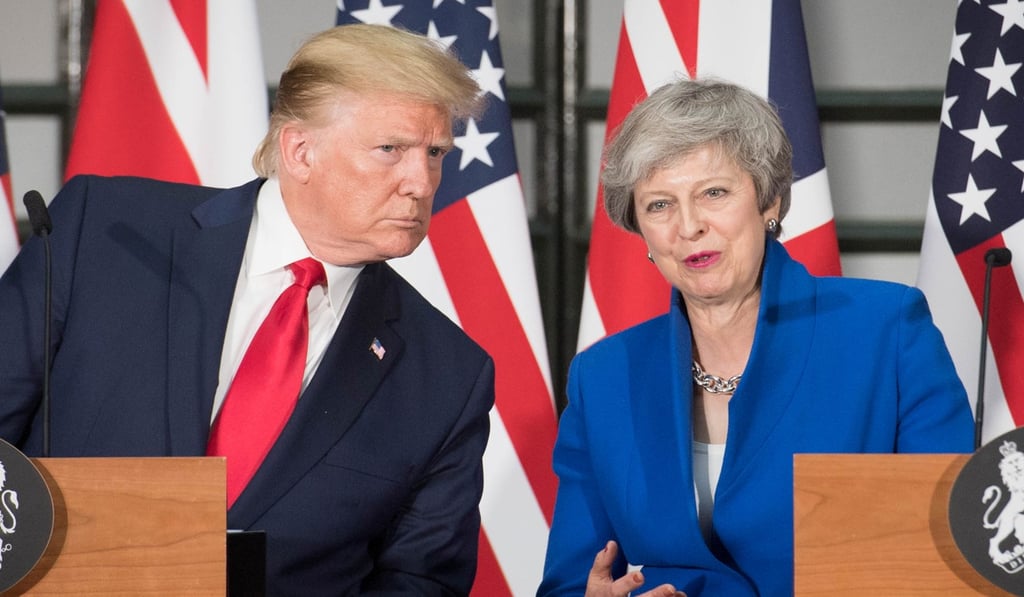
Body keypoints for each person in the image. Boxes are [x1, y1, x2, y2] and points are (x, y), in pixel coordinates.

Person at [0, 24, 494, 596]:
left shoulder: (450, 374)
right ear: (300, 150)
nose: (421, 181)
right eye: (391, 150)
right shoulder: (104, 233)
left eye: (434, 153)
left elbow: (420, 580)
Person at [537, 78, 974, 596]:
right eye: (659, 205)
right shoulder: (603, 376)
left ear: (770, 201)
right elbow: (570, 581)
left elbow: (950, 557)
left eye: (714, 193)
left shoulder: (886, 332)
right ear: (642, 234)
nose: (689, 226)